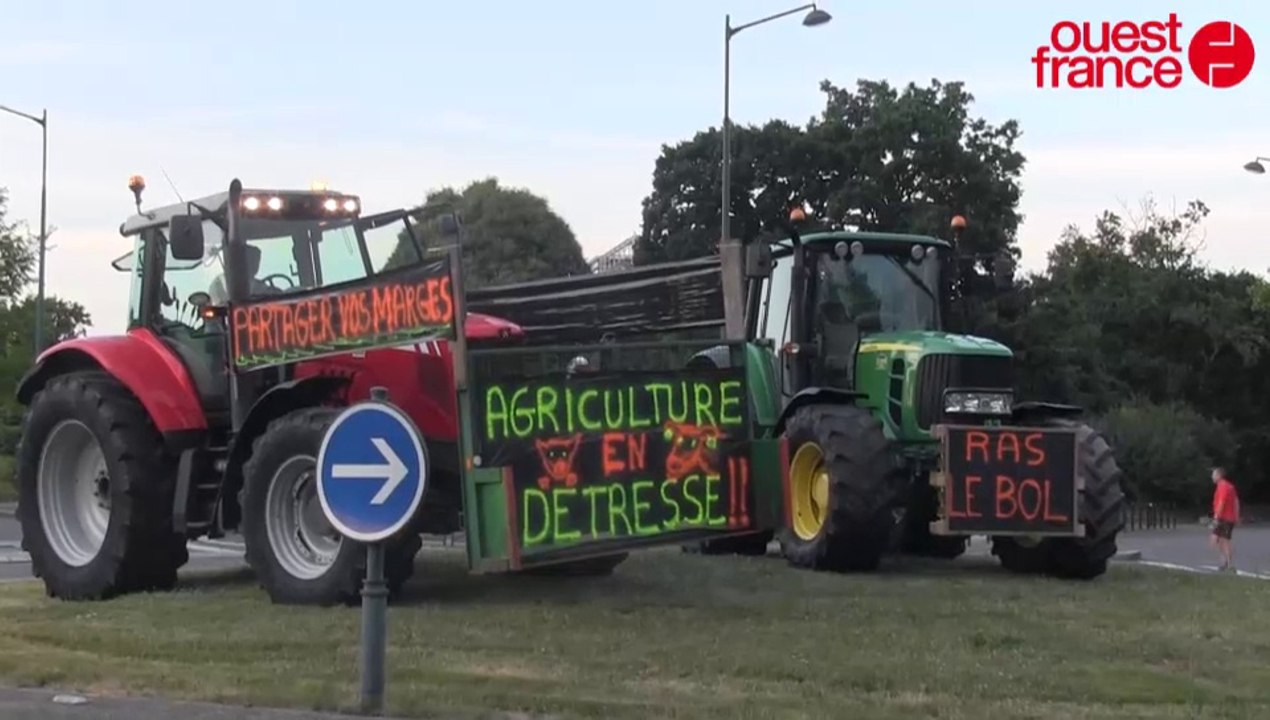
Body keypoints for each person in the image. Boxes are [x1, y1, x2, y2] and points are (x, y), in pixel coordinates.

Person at [1209, 466, 1240, 571]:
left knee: (1225, 541)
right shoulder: (1229, 486)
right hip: (1227, 518)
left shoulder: (1223, 486)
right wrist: (1236, 515)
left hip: (1224, 518)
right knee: (1217, 540)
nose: (1212, 477)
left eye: (1213, 474)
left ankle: (1229, 564)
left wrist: (1216, 518)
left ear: (1219, 475)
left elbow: (1221, 503)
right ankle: (1225, 562)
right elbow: (1236, 501)